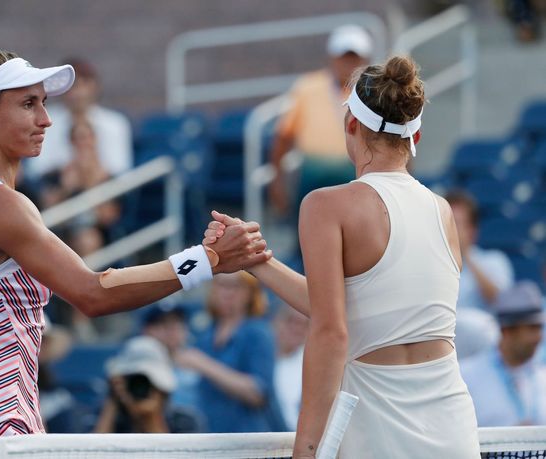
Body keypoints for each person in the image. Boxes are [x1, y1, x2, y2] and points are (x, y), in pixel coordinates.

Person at [0, 48, 271, 437]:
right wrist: (208, 260)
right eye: (28, 104)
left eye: (44, 103)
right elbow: (93, 293)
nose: (46, 119)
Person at [205, 55, 480, 457]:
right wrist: (256, 260)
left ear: (351, 124)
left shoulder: (325, 205)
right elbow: (361, 309)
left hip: (376, 429)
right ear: (414, 138)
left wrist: (307, 449)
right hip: (453, 427)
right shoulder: (443, 211)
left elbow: (332, 331)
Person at [269, 25, 372, 215]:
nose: (348, 63)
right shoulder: (307, 87)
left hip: (356, 176)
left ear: (364, 59)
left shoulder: (372, 91)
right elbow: (283, 136)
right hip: (312, 176)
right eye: (344, 56)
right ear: (332, 58)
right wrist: (277, 181)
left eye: (354, 57)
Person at [174, 272, 278, 433]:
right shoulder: (206, 334)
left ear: (251, 292)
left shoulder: (258, 332)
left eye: (235, 285)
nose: (227, 292)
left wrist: (203, 364)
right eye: (221, 285)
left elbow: (257, 394)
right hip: (208, 436)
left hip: (246, 439)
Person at [25, 57, 133, 182]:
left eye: (85, 83)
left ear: (95, 87)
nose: (79, 92)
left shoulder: (116, 123)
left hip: (104, 188)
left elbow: (120, 170)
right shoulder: (45, 120)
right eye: (74, 85)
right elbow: (39, 168)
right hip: (59, 186)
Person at [461, 281, 546, 426]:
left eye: (539, 328)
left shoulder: (541, 376)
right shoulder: (466, 376)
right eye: (532, 328)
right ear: (507, 331)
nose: (538, 337)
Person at [93, 335, 203, 433]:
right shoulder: (101, 416)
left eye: (151, 381)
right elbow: (91, 454)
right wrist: (113, 400)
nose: (142, 386)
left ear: (163, 389)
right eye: (133, 379)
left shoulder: (185, 421)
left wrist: (151, 419)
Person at [446, 190, 514, 312]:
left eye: (455, 223)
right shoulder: (429, 264)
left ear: (472, 231)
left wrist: (466, 255)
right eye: (445, 222)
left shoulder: (494, 261)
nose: (448, 229)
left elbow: (503, 303)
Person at [272, 302, 309, 431]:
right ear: (277, 321)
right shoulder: (259, 359)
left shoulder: (310, 365)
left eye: (305, 325)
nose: (297, 329)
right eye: (291, 321)